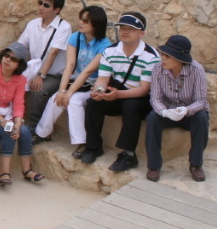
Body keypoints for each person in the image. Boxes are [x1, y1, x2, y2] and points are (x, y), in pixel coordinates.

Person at [80, 12, 160, 172]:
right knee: (93, 102)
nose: (125, 32)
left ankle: (128, 155)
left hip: (140, 98)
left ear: (142, 33)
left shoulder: (151, 56)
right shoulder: (110, 51)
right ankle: (93, 147)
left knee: (130, 107)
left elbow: (144, 89)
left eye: (131, 29)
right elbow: (102, 79)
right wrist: (99, 91)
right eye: (122, 28)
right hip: (117, 92)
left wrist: (118, 95)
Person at [34, 5, 112, 152]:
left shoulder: (105, 45)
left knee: (73, 101)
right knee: (56, 98)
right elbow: (69, 65)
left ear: (97, 24)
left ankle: (81, 142)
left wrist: (68, 93)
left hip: (95, 84)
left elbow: (88, 71)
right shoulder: (75, 38)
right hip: (76, 81)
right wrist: (62, 90)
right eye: (81, 19)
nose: (81, 23)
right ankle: (42, 134)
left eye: (86, 21)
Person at [146, 35, 210, 183]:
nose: (163, 58)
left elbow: (201, 100)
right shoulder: (157, 69)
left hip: (190, 113)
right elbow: (155, 97)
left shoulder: (196, 70)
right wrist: (164, 111)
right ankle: (153, 166)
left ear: (179, 59)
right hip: (168, 111)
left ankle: (196, 165)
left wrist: (186, 110)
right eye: (162, 54)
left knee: (201, 118)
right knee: (152, 118)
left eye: (167, 56)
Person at [0, 42, 44, 186]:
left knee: (24, 130)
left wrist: (17, 122)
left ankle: (27, 170)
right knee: (8, 131)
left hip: (7, 115)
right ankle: (5, 172)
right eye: (6, 55)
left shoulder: (21, 79)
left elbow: (18, 104)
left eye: (13, 59)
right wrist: (3, 122)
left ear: (19, 64)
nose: (7, 60)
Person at [16, 0, 71, 131]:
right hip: (34, 69)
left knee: (38, 90)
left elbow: (53, 53)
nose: (41, 7)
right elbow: (21, 46)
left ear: (57, 9)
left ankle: (33, 127)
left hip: (54, 74)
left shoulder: (64, 27)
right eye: (40, 3)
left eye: (46, 5)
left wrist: (41, 76)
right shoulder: (33, 24)